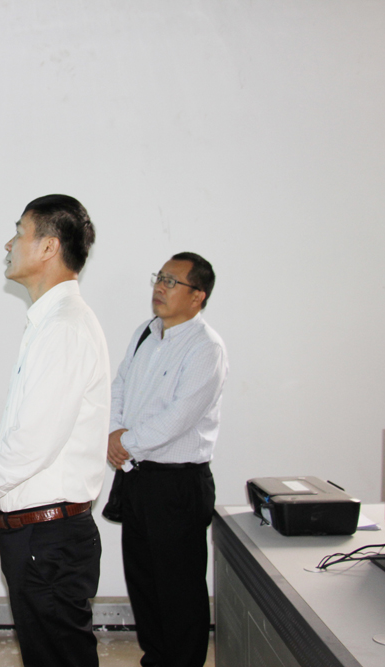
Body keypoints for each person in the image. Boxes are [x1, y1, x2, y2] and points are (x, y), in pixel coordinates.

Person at [0, 194, 110, 667]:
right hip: (41, 537)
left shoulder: (63, 327)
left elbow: (32, 442)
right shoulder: (50, 323)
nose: (8, 244)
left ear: (49, 247)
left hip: (49, 541)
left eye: (19, 232)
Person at [107, 252, 228, 667]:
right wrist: (114, 431)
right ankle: (155, 659)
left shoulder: (206, 347)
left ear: (198, 296)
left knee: (179, 590)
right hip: (138, 478)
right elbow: (119, 385)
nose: (160, 287)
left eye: (172, 282)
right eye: (159, 278)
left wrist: (126, 443)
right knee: (144, 582)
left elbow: (179, 416)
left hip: (178, 485)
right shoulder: (145, 332)